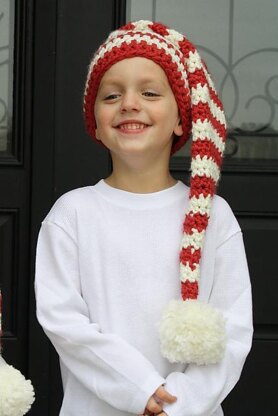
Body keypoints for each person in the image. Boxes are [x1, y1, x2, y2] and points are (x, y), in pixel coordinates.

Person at [35, 20, 253, 416]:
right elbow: (64, 321)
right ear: (96, 126)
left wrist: (179, 403)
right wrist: (141, 388)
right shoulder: (73, 213)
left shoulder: (213, 217)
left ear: (182, 120)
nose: (129, 103)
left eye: (149, 92)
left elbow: (234, 328)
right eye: (111, 95)